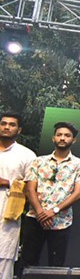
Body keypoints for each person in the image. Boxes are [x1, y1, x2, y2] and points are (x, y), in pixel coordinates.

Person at [20, 121, 80, 271]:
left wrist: (53, 211)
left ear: (73, 140)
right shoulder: (38, 161)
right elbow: (30, 189)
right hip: (34, 218)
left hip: (61, 221)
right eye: (59, 135)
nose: (62, 138)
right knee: (27, 262)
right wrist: (41, 213)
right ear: (53, 138)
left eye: (67, 135)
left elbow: (78, 193)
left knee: (56, 265)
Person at [0, 112, 36, 279]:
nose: (7, 127)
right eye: (3, 123)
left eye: (12, 124)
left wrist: (7, 182)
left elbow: (31, 187)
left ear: (19, 129)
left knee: (4, 256)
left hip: (7, 212)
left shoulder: (26, 155)